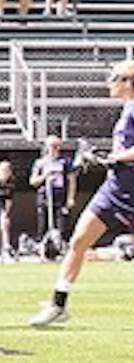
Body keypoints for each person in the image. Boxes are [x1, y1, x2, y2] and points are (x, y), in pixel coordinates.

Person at [32, 62, 134, 326]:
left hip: (131, 187)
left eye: (114, 78)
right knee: (79, 240)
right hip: (114, 187)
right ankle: (59, 303)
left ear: (128, 81)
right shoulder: (126, 109)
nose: (110, 83)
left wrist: (112, 158)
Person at [29, 135, 77, 252]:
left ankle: (61, 249)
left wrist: (71, 198)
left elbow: (72, 181)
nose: (55, 149)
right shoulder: (40, 163)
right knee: (43, 226)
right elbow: (33, 181)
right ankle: (43, 250)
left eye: (57, 146)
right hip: (45, 197)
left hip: (61, 197)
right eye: (52, 146)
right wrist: (45, 177)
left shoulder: (65, 162)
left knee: (62, 225)